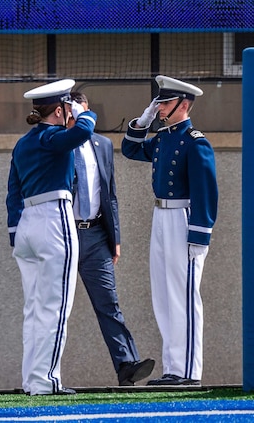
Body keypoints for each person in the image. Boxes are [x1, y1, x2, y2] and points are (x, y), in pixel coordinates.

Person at [121, 75, 218, 387]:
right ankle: (173, 367)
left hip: (184, 218)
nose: (159, 107)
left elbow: (206, 192)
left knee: (184, 297)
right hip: (160, 216)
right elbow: (131, 150)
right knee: (163, 295)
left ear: (184, 104)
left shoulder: (195, 142)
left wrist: (199, 235)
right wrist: (142, 121)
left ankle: (188, 370)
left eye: (164, 102)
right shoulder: (163, 139)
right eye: (159, 102)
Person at [5, 79, 96, 396]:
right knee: (55, 307)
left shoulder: (24, 142)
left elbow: (13, 190)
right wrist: (83, 112)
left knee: (34, 308)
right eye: (66, 108)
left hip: (27, 222)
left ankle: (32, 380)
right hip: (54, 217)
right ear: (60, 109)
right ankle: (46, 381)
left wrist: (15, 231)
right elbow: (84, 132)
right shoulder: (54, 136)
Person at [67, 92, 155, 387]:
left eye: (82, 111)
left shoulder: (102, 145)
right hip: (62, 234)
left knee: (109, 304)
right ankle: (45, 374)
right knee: (54, 307)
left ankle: (126, 365)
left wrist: (114, 237)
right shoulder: (54, 143)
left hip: (95, 235)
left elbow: (110, 194)